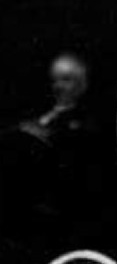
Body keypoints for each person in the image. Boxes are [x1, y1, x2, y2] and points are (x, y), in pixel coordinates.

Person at [0, 52, 108, 262]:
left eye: (66, 80)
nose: (58, 86)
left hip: (50, 210)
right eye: (55, 80)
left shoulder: (87, 122)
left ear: (83, 84)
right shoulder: (36, 112)